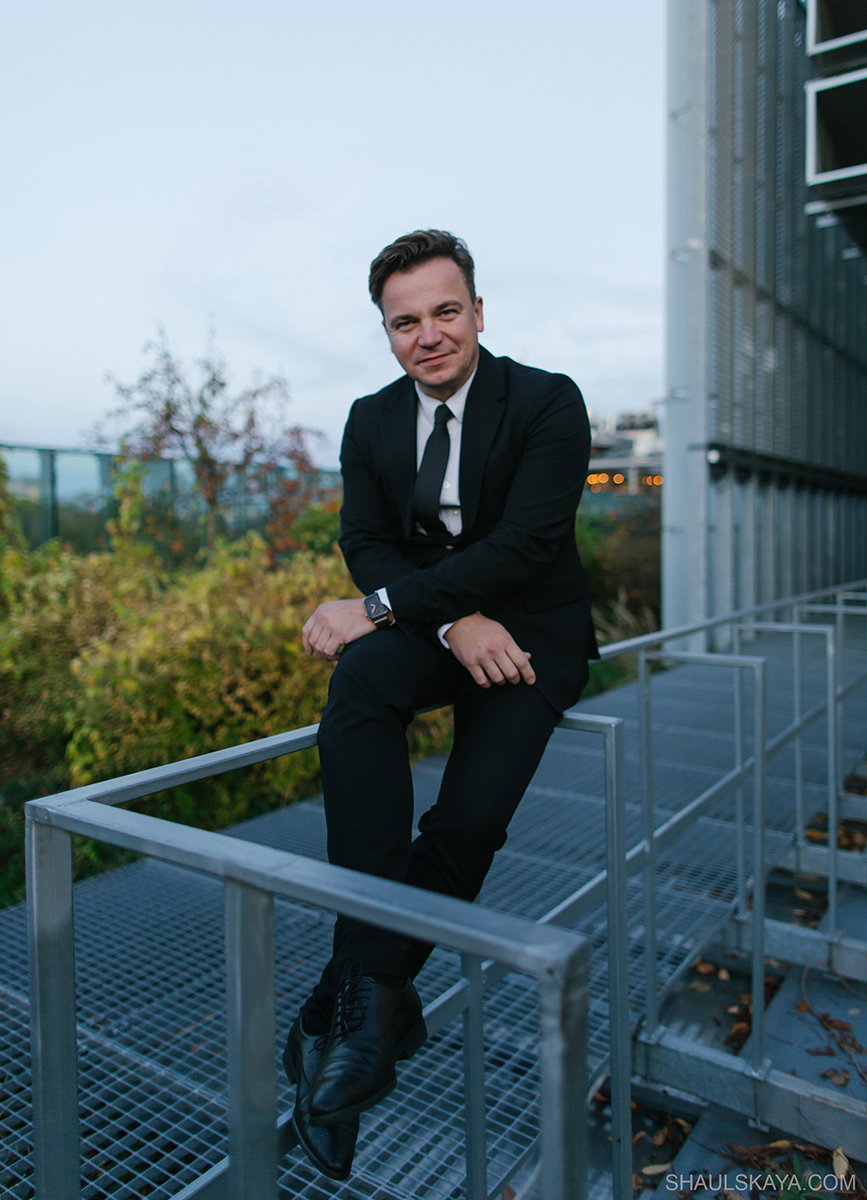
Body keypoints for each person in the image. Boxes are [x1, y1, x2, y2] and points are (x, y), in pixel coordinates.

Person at [282, 230, 597, 1180]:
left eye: (445, 311)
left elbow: (525, 546)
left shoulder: (546, 401)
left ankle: (346, 1008)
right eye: (404, 322)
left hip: (532, 631)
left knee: (465, 821)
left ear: (479, 312)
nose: (427, 336)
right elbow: (366, 541)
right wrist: (448, 620)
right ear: (386, 332)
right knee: (358, 687)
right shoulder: (370, 419)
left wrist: (388, 608)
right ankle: (371, 1021)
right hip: (437, 627)